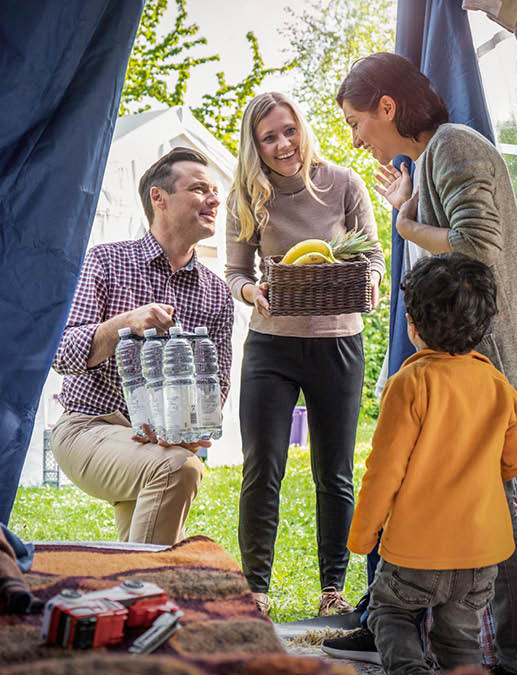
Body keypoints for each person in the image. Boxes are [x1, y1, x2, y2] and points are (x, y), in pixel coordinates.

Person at [322, 53, 517, 675]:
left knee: (492, 512)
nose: (355, 136)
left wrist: (402, 222)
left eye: (355, 120)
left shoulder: (453, 144)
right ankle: (386, 617)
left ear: (387, 108)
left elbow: (476, 248)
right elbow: (449, 236)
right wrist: (412, 202)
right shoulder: (433, 158)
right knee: (441, 492)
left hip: (490, 355)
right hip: (470, 355)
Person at [225, 92, 386, 616]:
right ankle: (256, 591)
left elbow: (374, 255)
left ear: (302, 128)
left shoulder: (343, 184)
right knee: (262, 467)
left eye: (288, 130)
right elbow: (235, 274)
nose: (282, 144)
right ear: (255, 144)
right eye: (268, 137)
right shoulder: (247, 196)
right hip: (271, 345)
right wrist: (255, 293)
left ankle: (333, 590)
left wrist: (375, 282)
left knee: (333, 471)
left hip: (337, 341)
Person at [350, 253, 517, 675]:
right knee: (459, 641)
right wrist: (490, 471)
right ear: (485, 326)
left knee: (390, 613)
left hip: (415, 554)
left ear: (412, 325)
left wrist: (363, 536)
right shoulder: (497, 384)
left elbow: (385, 471)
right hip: (480, 555)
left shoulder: (409, 384)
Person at [50, 147, 233, 546]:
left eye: (216, 191)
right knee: (179, 470)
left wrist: (189, 429)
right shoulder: (104, 262)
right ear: (158, 198)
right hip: (87, 426)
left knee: (145, 530)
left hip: (163, 441)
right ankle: (146, 591)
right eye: (200, 189)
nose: (215, 199)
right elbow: (61, 354)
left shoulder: (217, 293)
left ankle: (133, 598)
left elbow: (217, 383)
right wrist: (124, 324)